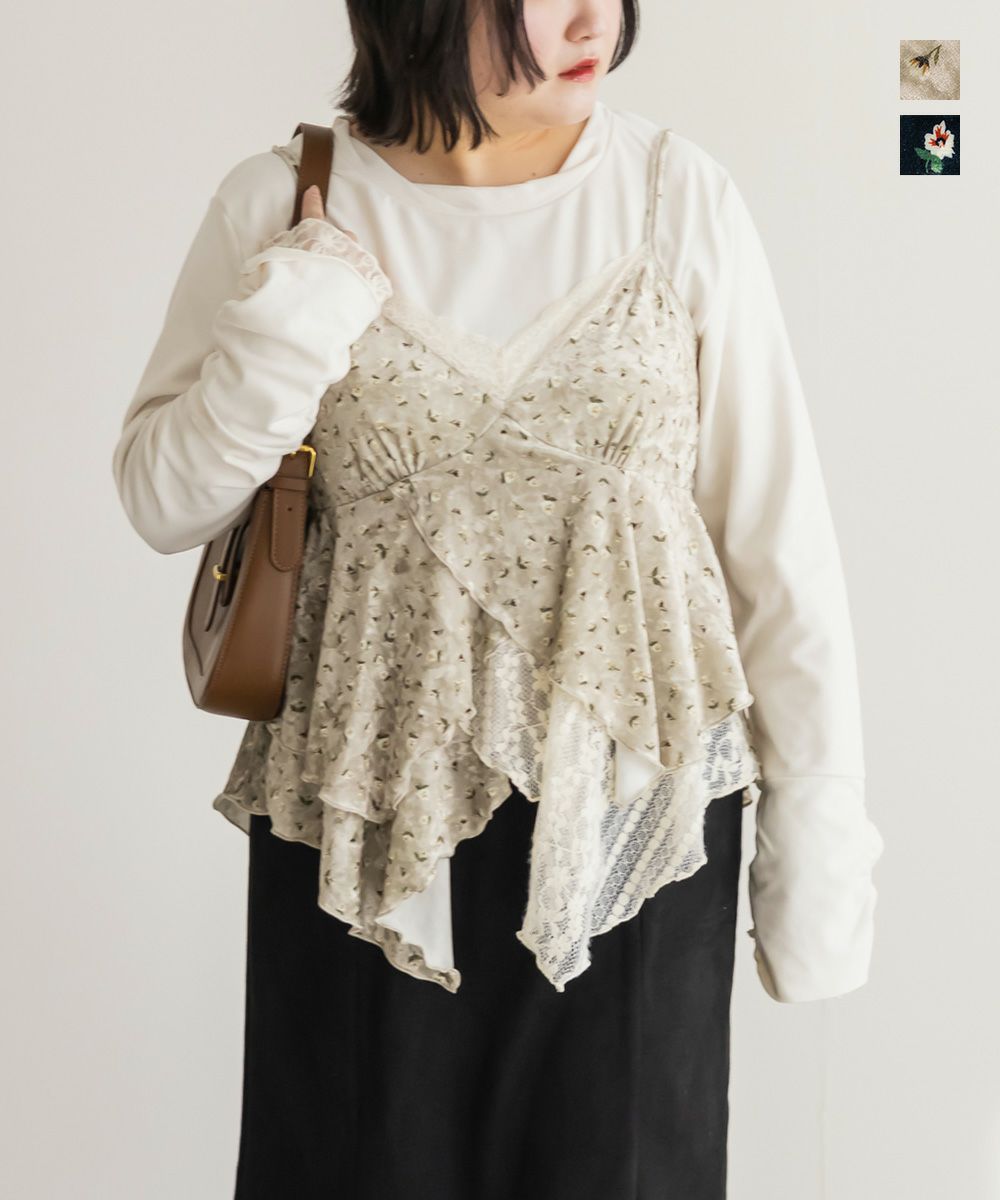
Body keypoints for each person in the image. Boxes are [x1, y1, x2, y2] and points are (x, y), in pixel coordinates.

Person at [111, 2, 885, 1196]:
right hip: (364, 818)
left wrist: (818, 839)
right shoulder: (286, 202)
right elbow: (162, 497)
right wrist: (292, 325)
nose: (591, 19)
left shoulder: (673, 197)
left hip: (633, 822)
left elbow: (777, 548)